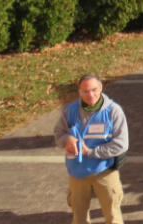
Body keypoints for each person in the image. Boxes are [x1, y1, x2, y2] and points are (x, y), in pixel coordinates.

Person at [54, 73, 128, 224]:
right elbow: (58, 133)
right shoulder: (70, 111)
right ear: (79, 92)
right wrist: (67, 139)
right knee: (79, 218)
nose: (91, 94)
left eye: (94, 89)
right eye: (85, 91)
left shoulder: (114, 111)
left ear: (101, 87)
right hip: (77, 172)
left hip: (104, 170)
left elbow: (121, 143)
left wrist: (92, 152)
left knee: (113, 216)